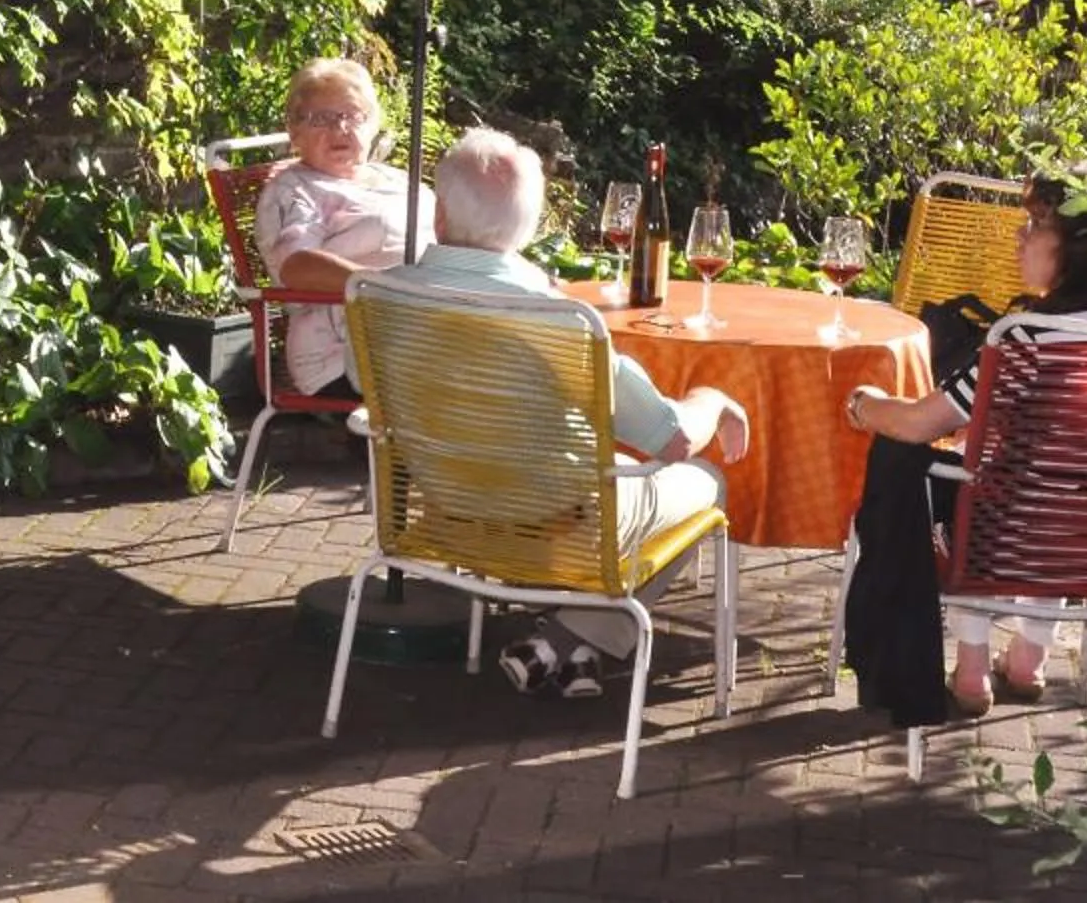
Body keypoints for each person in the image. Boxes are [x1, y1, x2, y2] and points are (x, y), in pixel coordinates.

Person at [384, 126, 752, 699]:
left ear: (438, 217)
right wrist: (716, 399)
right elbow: (671, 441)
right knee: (707, 479)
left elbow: (367, 387)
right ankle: (574, 633)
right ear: (528, 230)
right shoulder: (562, 325)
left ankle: (562, 642)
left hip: (448, 513)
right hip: (560, 530)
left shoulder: (382, 298)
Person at [842, 175, 1087, 719]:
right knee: (1063, 480)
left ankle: (971, 669)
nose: (1020, 236)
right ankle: (1028, 661)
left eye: (1038, 224)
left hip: (1006, 541)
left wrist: (864, 403)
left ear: (1082, 244)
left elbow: (917, 423)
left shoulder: (1025, 339)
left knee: (966, 484)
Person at [252, 57, 434, 399]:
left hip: (417, 332)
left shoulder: (394, 179)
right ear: (294, 131)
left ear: (372, 123)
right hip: (344, 353)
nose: (340, 130)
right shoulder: (295, 191)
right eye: (321, 119)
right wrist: (388, 287)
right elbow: (297, 267)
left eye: (352, 116)